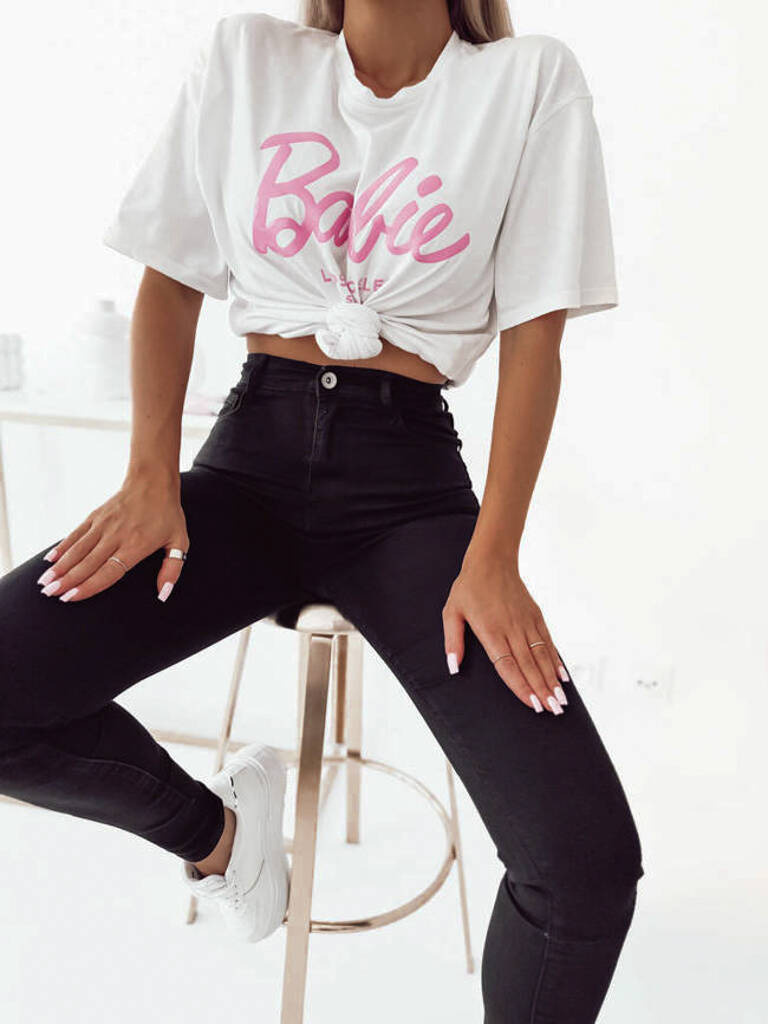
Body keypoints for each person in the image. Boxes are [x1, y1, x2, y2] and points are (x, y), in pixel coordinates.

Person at [0, 2, 644, 1021]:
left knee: (586, 866)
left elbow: (536, 342)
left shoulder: (527, 84)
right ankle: (221, 839)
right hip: (242, 472)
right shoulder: (247, 57)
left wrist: (494, 556)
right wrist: (149, 475)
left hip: (409, 493)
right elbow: (170, 279)